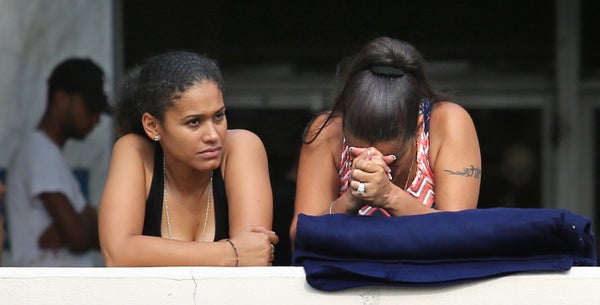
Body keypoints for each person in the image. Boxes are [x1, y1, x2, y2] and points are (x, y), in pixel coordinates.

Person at [291, 37, 481, 241]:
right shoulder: (327, 131)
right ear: (344, 124)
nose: (373, 164)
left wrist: (389, 196)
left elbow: (461, 236)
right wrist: (349, 200)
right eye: (356, 154)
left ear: (417, 126)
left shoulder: (447, 123)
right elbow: (299, 240)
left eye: (392, 159)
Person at [98, 51, 278, 266]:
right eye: (194, 122)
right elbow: (117, 254)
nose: (213, 135)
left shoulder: (242, 147)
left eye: (218, 116)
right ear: (153, 126)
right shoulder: (134, 151)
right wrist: (231, 253)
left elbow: (254, 257)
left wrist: (239, 253)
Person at [4, 58, 109, 266]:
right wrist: (87, 223)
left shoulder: (50, 153)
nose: (96, 119)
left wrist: (84, 224)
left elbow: (80, 235)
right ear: (61, 98)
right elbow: (77, 238)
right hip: (46, 294)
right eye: (90, 107)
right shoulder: (38, 150)